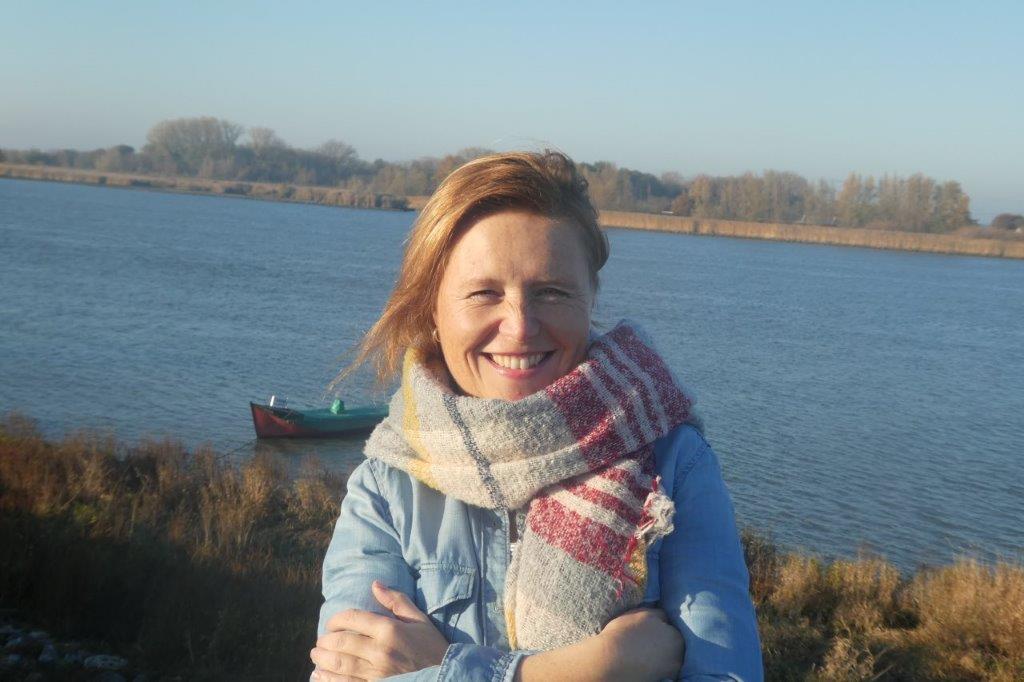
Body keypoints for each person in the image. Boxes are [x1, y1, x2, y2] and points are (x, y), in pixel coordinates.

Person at [311, 151, 762, 681]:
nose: (520, 326)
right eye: (484, 293)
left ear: (591, 297)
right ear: (432, 309)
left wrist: (443, 669)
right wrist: (581, 670)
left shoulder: (674, 464)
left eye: (551, 292)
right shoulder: (387, 487)